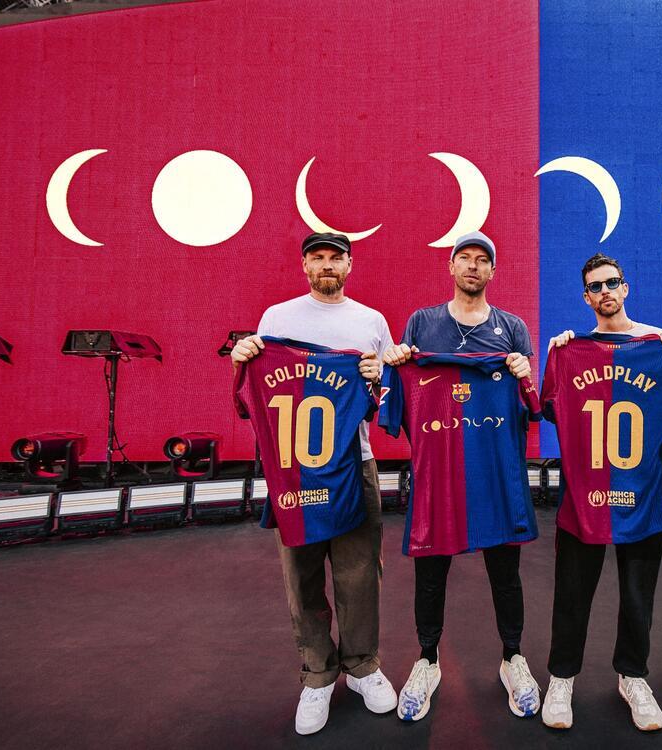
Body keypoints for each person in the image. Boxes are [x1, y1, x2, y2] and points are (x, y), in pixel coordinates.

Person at [230, 231, 397, 735]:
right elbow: (258, 391)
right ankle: (318, 675)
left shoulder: (371, 322)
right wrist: (244, 357)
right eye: (317, 257)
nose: (327, 265)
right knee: (301, 571)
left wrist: (375, 377)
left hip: (354, 462)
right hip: (293, 467)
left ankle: (363, 666)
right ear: (305, 265)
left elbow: (389, 396)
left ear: (349, 264)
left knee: (359, 570)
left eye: (336, 258)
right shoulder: (277, 318)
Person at [381, 230, 541, 721]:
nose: (473, 266)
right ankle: (426, 661)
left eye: (482, 260)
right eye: (464, 259)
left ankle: (513, 658)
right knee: (430, 575)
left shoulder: (512, 328)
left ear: (493, 271)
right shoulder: (421, 324)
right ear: (451, 268)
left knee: (505, 574)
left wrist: (522, 373)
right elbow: (396, 399)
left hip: (496, 473)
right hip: (438, 476)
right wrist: (395, 362)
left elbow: (531, 406)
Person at [541, 253, 662, 732]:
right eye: (595, 286)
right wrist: (559, 353)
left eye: (612, 282)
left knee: (638, 597)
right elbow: (550, 408)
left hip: (643, 498)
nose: (605, 291)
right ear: (586, 297)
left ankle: (633, 676)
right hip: (584, 501)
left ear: (625, 288)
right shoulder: (568, 350)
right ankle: (561, 677)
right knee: (571, 595)